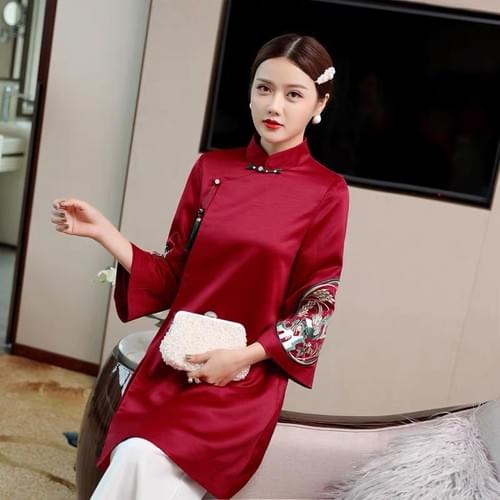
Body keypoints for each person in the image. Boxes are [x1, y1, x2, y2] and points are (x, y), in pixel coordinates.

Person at [51, 33, 349, 499]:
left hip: (244, 381)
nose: (274, 106)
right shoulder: (211, 169)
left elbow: (316, 310)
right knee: (135, 455)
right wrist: (104, 232)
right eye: (264, 88)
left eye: (293, 95)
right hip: (173, 367)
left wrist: (240, 359)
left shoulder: (326, 192)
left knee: (141, 458)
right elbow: (173, 275)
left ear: (319, 104)